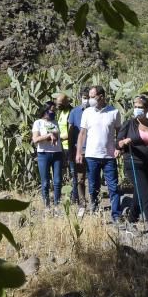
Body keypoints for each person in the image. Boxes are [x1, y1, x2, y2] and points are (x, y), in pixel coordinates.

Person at [76, 85, 123, 223]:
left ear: (101, 96)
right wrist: (79, 152)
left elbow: (119, 132)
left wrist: (118, 148)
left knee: (113, 187)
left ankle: (116, 215)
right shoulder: (87, 112)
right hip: (91, 156)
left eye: (92, 97)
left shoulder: (114, 112)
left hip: (109, 156)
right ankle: (95, 210)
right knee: (93, 186)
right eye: (89, 97)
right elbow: (82, 133)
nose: (90, 99)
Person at [117, 94, 148, 242]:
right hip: (133, 163)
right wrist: (123, 143)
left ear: (147, 109)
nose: (137, 109)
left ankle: (130, 221)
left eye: (140, 107)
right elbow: (118, 143)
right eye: (135, 107)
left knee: (139, 193)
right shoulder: (129, 124)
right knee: (146, 192)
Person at [32, 101, 63, 209]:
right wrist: (48, 135)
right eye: (52, 110)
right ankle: (47, 206)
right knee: (45, 182)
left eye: (55, 110)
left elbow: (58, 138)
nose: (54, 112)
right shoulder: (38, 123)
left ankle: (57, 205)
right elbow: (35, 139)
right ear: (45, 111)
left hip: (57, 153)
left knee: (57, 181)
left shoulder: (55, 122)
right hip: (43, 154)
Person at [68, 87, 90, 216]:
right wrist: (72, 150)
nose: (87, 100)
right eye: (85, 98)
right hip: (79, 151)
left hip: (94, 150)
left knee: (93, 178)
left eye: (89, 98)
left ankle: (94, 202)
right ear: (80, 98)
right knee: (80, 178)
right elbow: (71, 133)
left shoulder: (96, 111)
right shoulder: (74, 112)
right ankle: (82, 203)